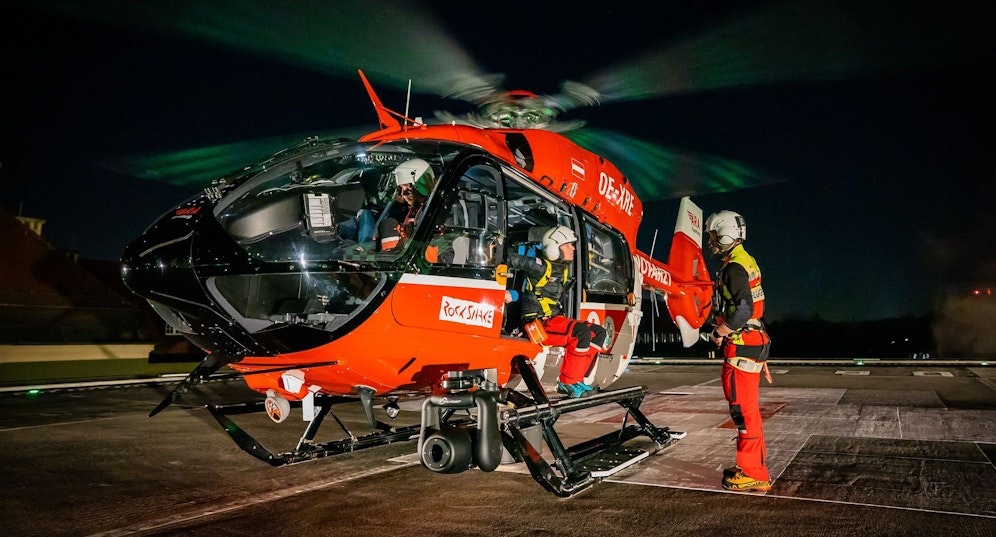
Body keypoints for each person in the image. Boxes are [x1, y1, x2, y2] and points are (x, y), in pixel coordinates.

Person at [705, 210, 773, 492]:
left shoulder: (733, 267)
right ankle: (753, 464)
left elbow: (744, 308)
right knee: (750, 412)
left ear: (725, 234)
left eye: (712, 237)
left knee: (742, 413)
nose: (710, 243)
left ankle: (754, 473)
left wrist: (722, 331)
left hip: (743, 346)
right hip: (753, 340)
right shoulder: (744, 260)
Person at [504, 225, 607, 398]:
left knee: (598, 332)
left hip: (552, 320)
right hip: (536, 323)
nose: (573, 248)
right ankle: (567, 383)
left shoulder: (562, 271)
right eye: (568, 245)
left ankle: (578, 379)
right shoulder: (541, 266)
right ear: (554, 248)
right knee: (580, 332)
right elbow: (510, 259)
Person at [377, 158, 436, 250]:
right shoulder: (412, 211)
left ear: (420, 187)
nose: (402, 195)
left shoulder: (436, 214)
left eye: (407, 190)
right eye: (401, 189)